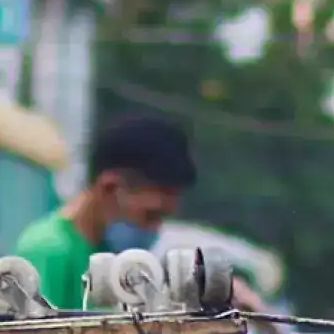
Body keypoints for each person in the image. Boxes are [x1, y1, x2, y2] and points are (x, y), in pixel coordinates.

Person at [10, 112, 198, 311]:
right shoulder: (47, 251)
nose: (155, 229)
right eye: (150, 216)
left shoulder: (116, 259)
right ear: (109, 188)